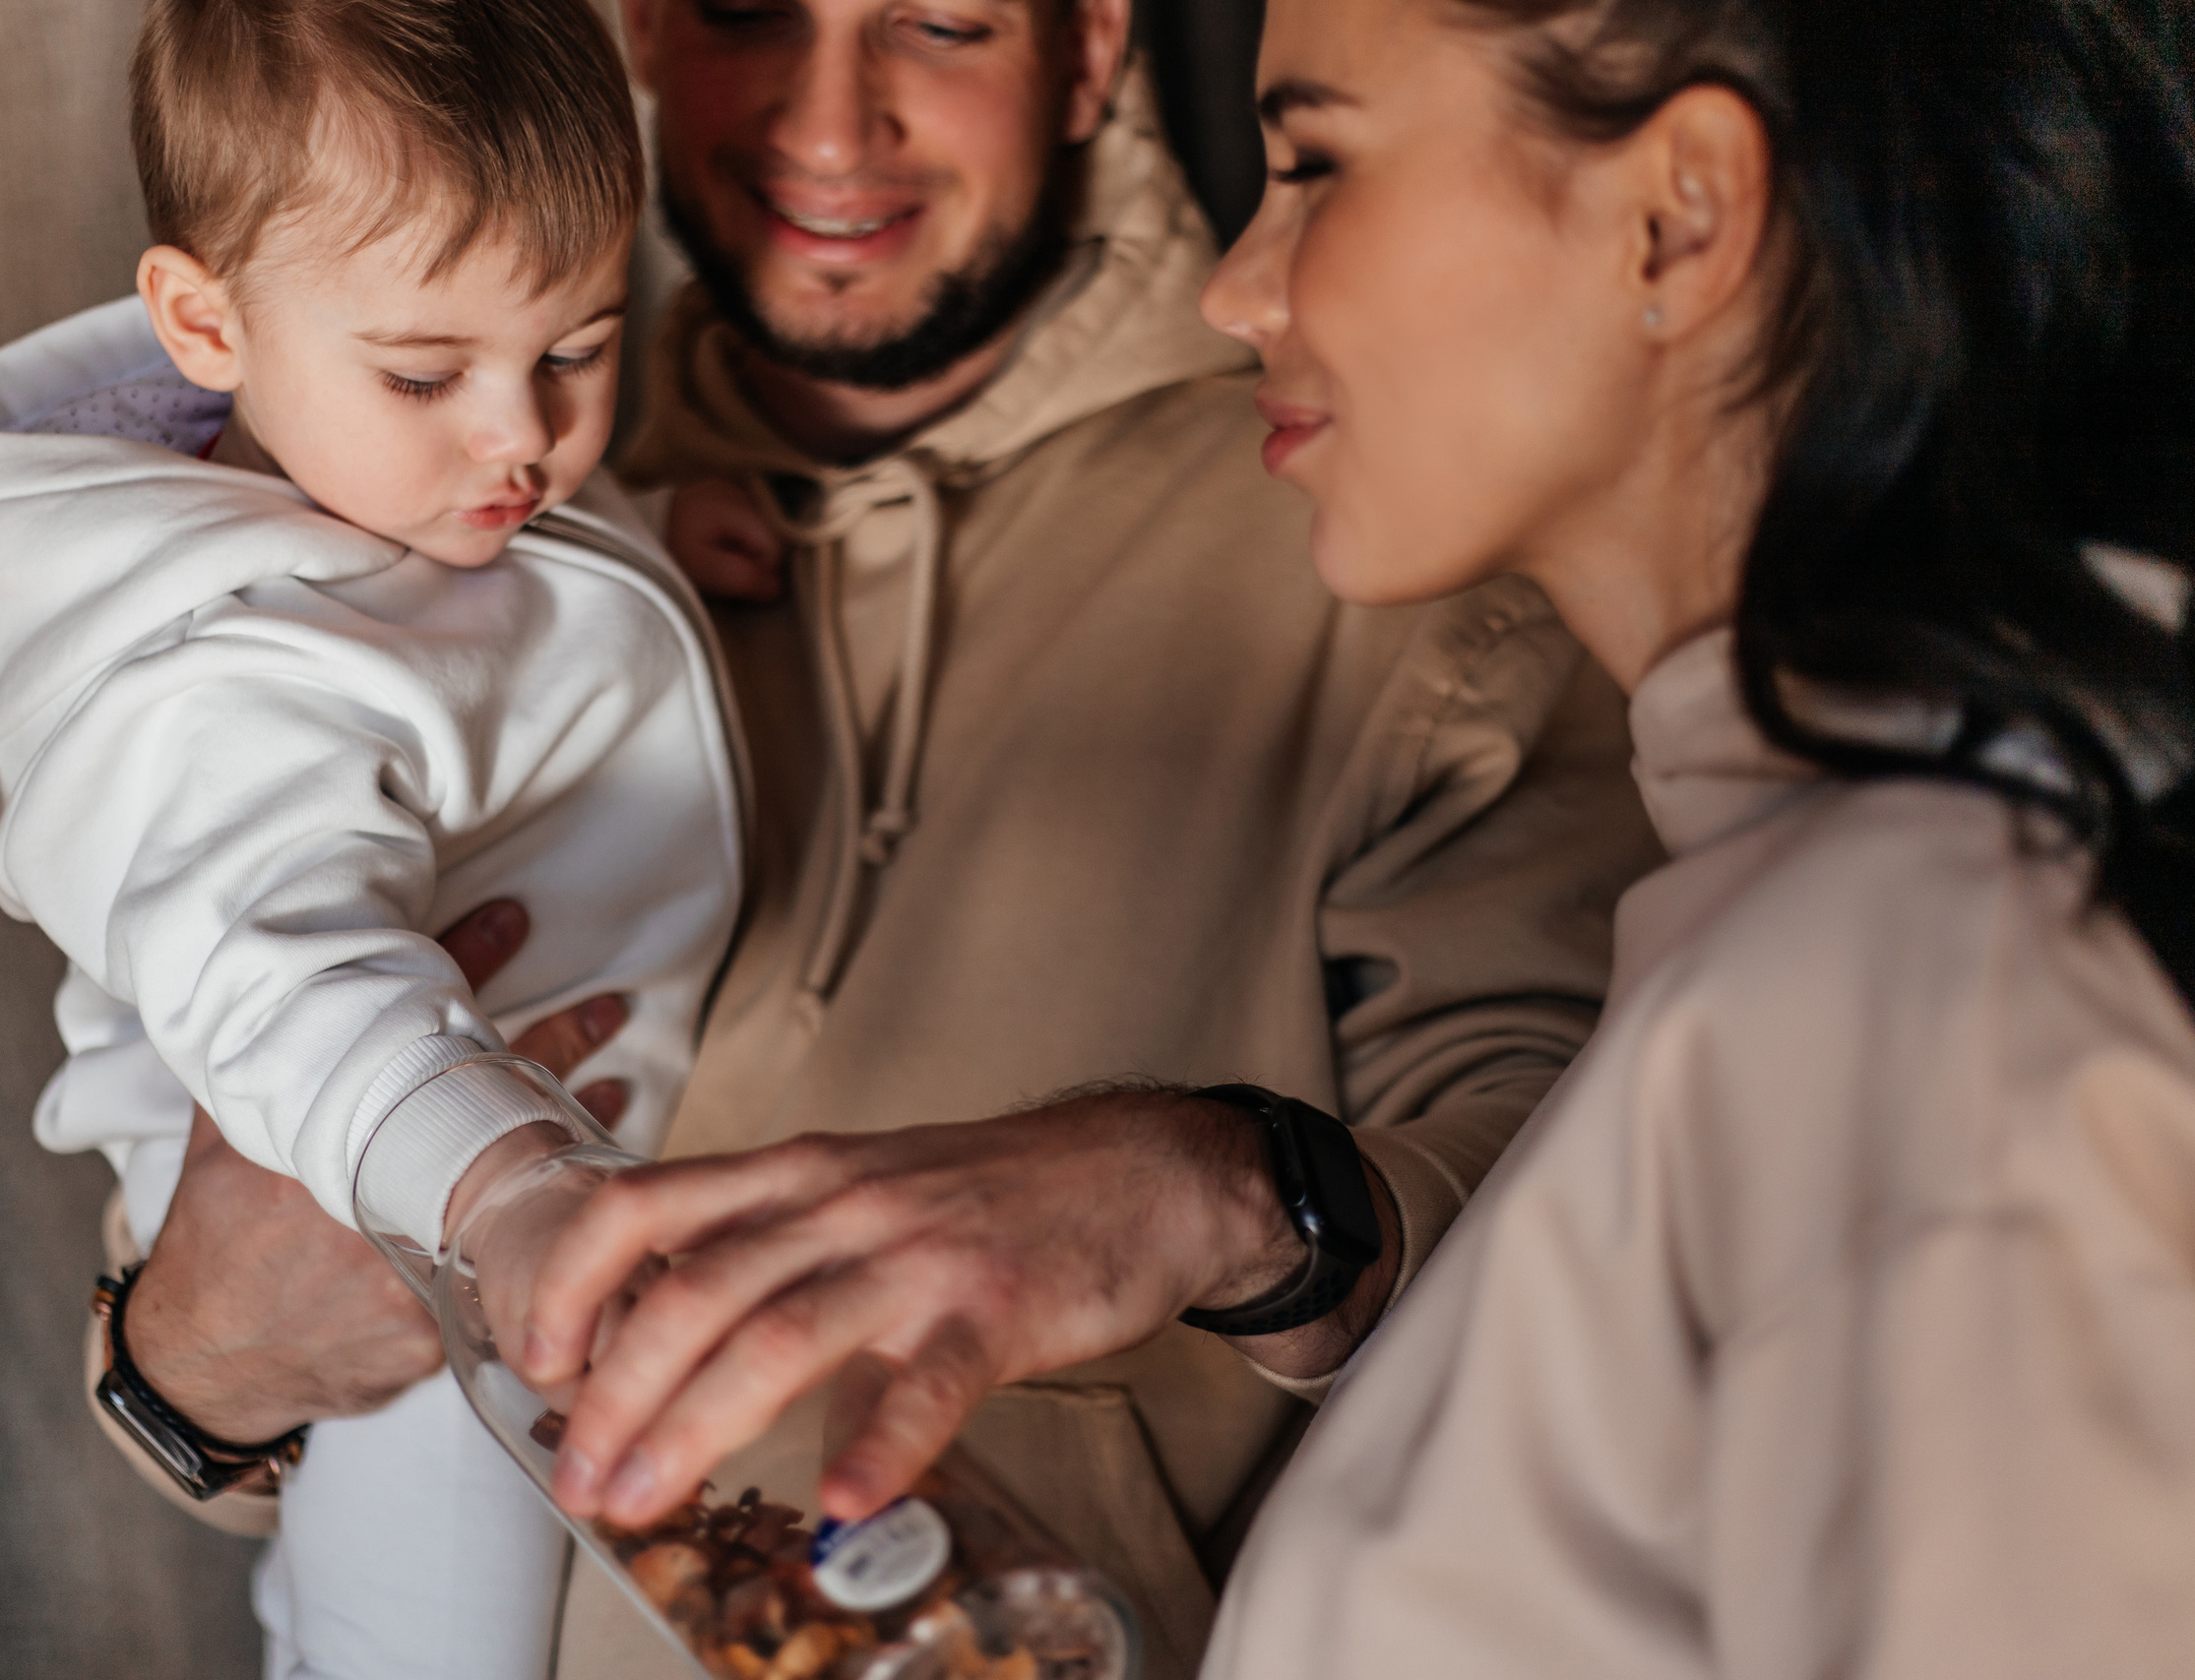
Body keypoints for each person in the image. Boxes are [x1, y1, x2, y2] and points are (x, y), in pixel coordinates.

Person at [493, 0, 2195, 1671]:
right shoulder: (1796, 928)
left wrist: (1244, 1196)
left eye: (1316, 164)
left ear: (1678, 216)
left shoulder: (1935, 976)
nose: (1243, 288)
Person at [114, 0, 1664, 1673]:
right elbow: (197, 1335)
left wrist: (1218, 1189)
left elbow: (1616, 1239)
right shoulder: (433, 485)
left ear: (1089, 52)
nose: (830, 129)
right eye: (746, 12)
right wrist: (190, 1353)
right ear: (640, 28)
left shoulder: (1391, 530)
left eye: (938, 22)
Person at [0, 2, 744, 1674]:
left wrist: (661, 536)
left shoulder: (406, 483)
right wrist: (511, 1197)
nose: (522, 437)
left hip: (500, 1183)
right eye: (429, 371)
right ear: (204, 325)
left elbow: (513, 609)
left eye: (581, 347)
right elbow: (299, 990)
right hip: (400, 1232)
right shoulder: (214, 690)